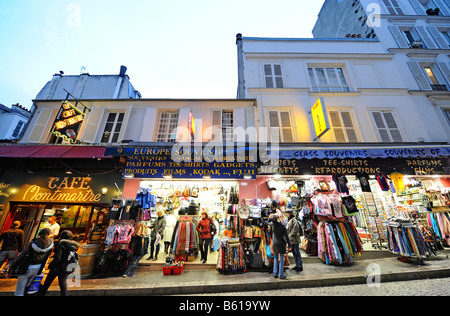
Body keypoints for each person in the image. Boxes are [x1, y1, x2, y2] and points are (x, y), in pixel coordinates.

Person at [7, 228, 53, 296]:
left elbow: (21, 256)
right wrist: (40, 270)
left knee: (19, 290)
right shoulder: (49, 246)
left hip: (26, 267)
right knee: (24, 287)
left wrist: (11, 267)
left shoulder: (33, 244)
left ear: (40, 233)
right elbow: (45, 259)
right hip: (37, 267)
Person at [38, 230, 79, 296]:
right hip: (66, 267)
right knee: (62, 283)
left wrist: (51, 265)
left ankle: (41, 294)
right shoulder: (73, 246)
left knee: (47, 283)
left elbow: (57, 258)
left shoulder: (60, 245)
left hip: (57, 267)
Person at [269, 213, 291, 279]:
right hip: (281, 244)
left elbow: (268, 221)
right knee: (281, 259)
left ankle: (275, 273)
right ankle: (281, 274)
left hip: (274, 244)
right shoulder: (282, 226)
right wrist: (289, 245)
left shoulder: (272, 225)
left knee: (275, 258)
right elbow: (286, 237)